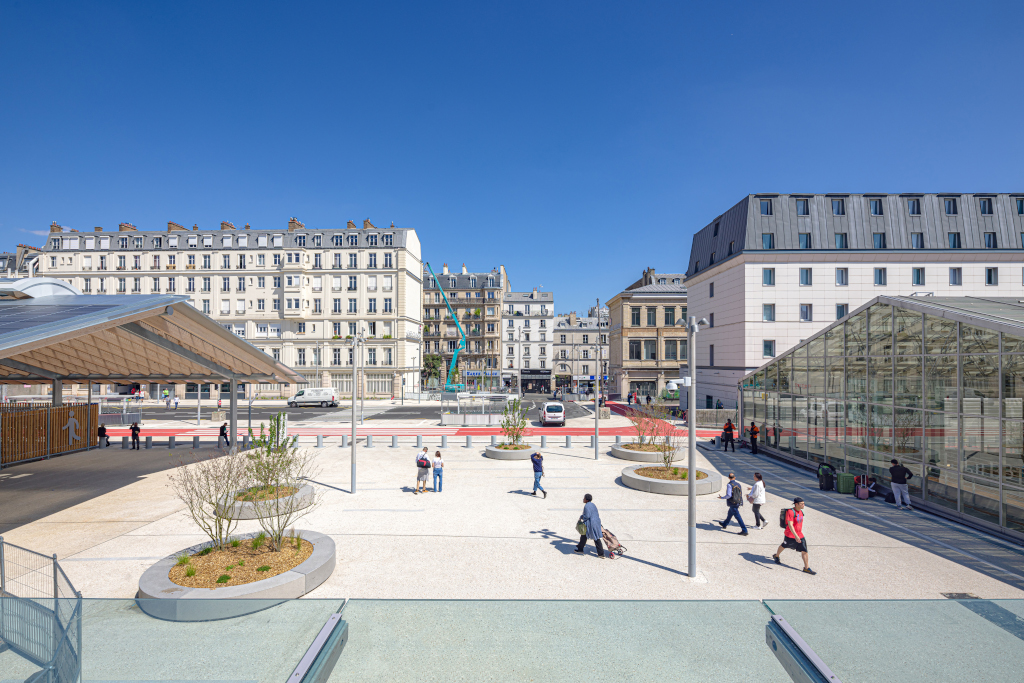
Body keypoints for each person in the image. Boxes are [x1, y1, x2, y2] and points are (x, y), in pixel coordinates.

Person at [774, 497, 815, 574]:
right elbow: (790, 525)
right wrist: (796, 536)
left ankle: (806, 567)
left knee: (804, 551)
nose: (804, 505)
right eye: (802, 504)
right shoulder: (791, 512)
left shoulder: (801, 512)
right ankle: (777, 556)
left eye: (804, 503)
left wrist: (798, 535)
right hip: (790, 535)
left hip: (800, 535)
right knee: (784, 546)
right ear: (796, 504)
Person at [574, 494, 605, 558]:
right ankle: (580, 549)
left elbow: (587, 516)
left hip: (591, 524)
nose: (583, 499)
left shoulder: (586, 506)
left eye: (584, 498)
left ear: (586, 500)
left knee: (595, 538)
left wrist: (581, 517)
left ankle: (601, 554)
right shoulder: (593, 505)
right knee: (584, 536)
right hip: (596, 522)